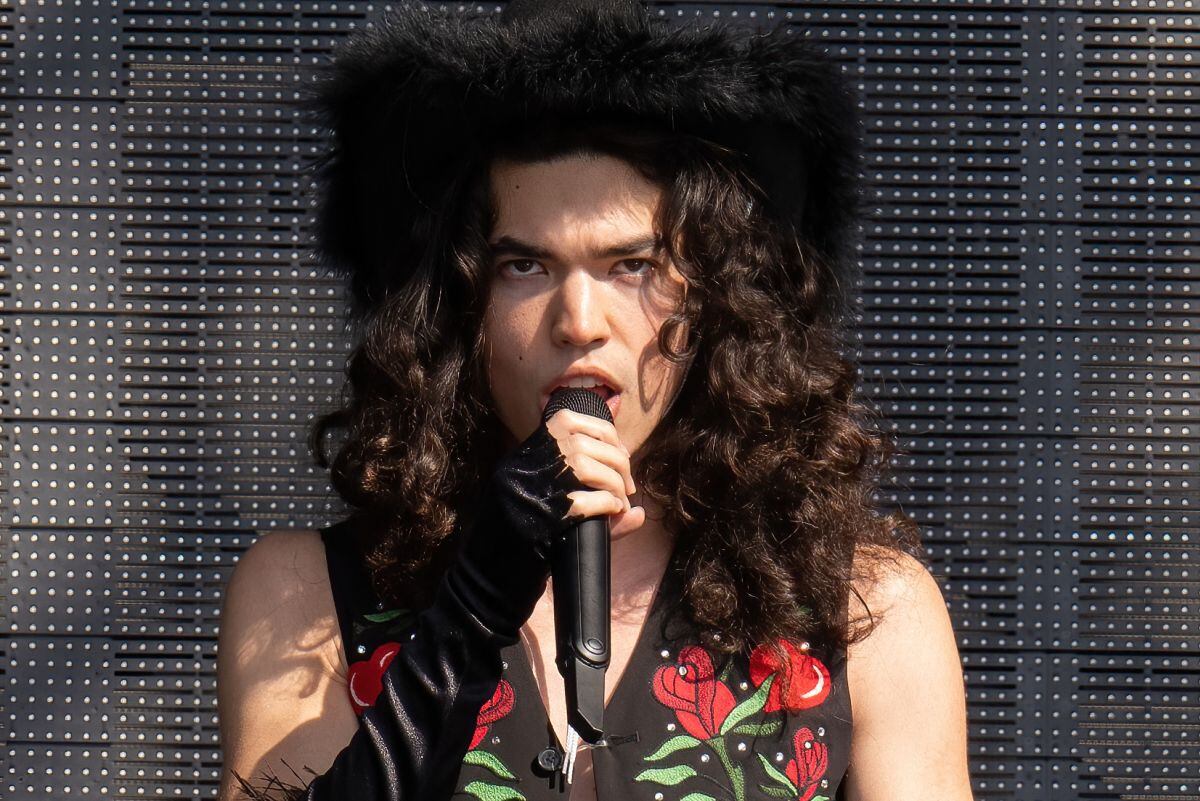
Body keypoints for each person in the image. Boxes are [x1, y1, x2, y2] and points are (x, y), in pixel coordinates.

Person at [216, 2, 975, 800]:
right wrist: (475, 601)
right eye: (524, 267)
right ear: (456, 305)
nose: (578, 321)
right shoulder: (307, 599)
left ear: (719, 299)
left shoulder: (865, 612)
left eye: (632, 265)